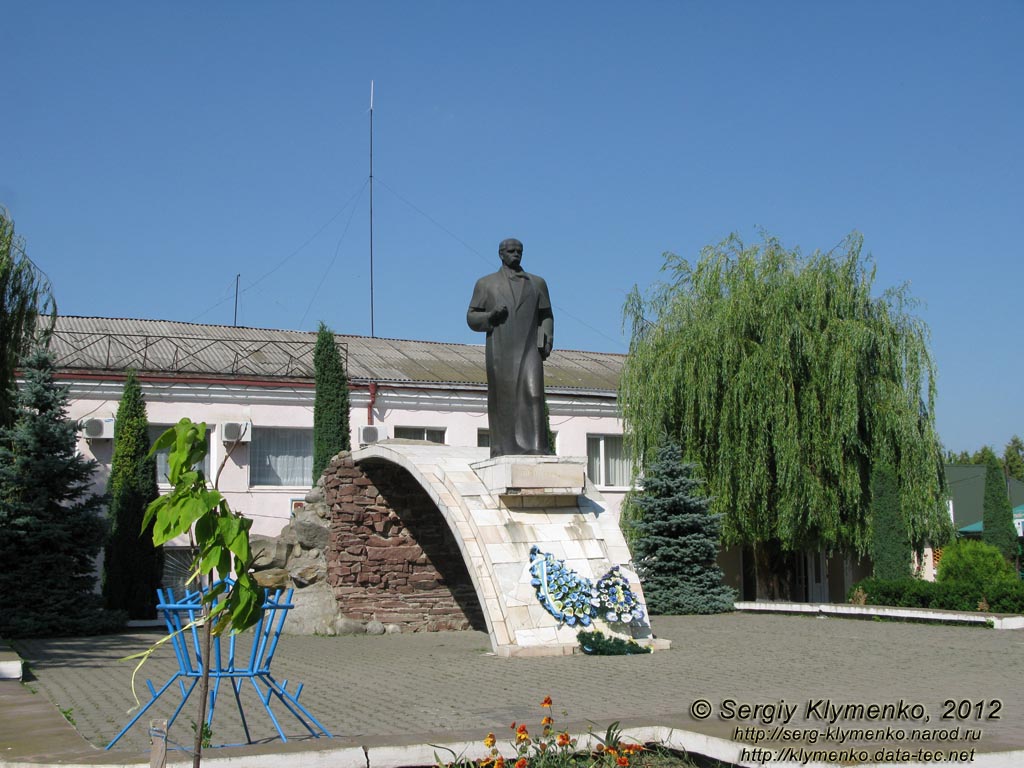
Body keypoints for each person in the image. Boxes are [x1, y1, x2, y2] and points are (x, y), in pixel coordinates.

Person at [467, 238, 554, 457]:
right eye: (511, 251)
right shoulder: (486, 284)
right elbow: (471, 317)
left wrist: (547, 336)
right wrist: (491, 315)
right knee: (504, 399)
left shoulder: (537, 283)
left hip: (529, 347)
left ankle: (538, 447)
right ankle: (502, 448)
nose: (516, 254)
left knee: (534, 394)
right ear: (501, 254)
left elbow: (546, 315)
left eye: (519, 251)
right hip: (501, 349)